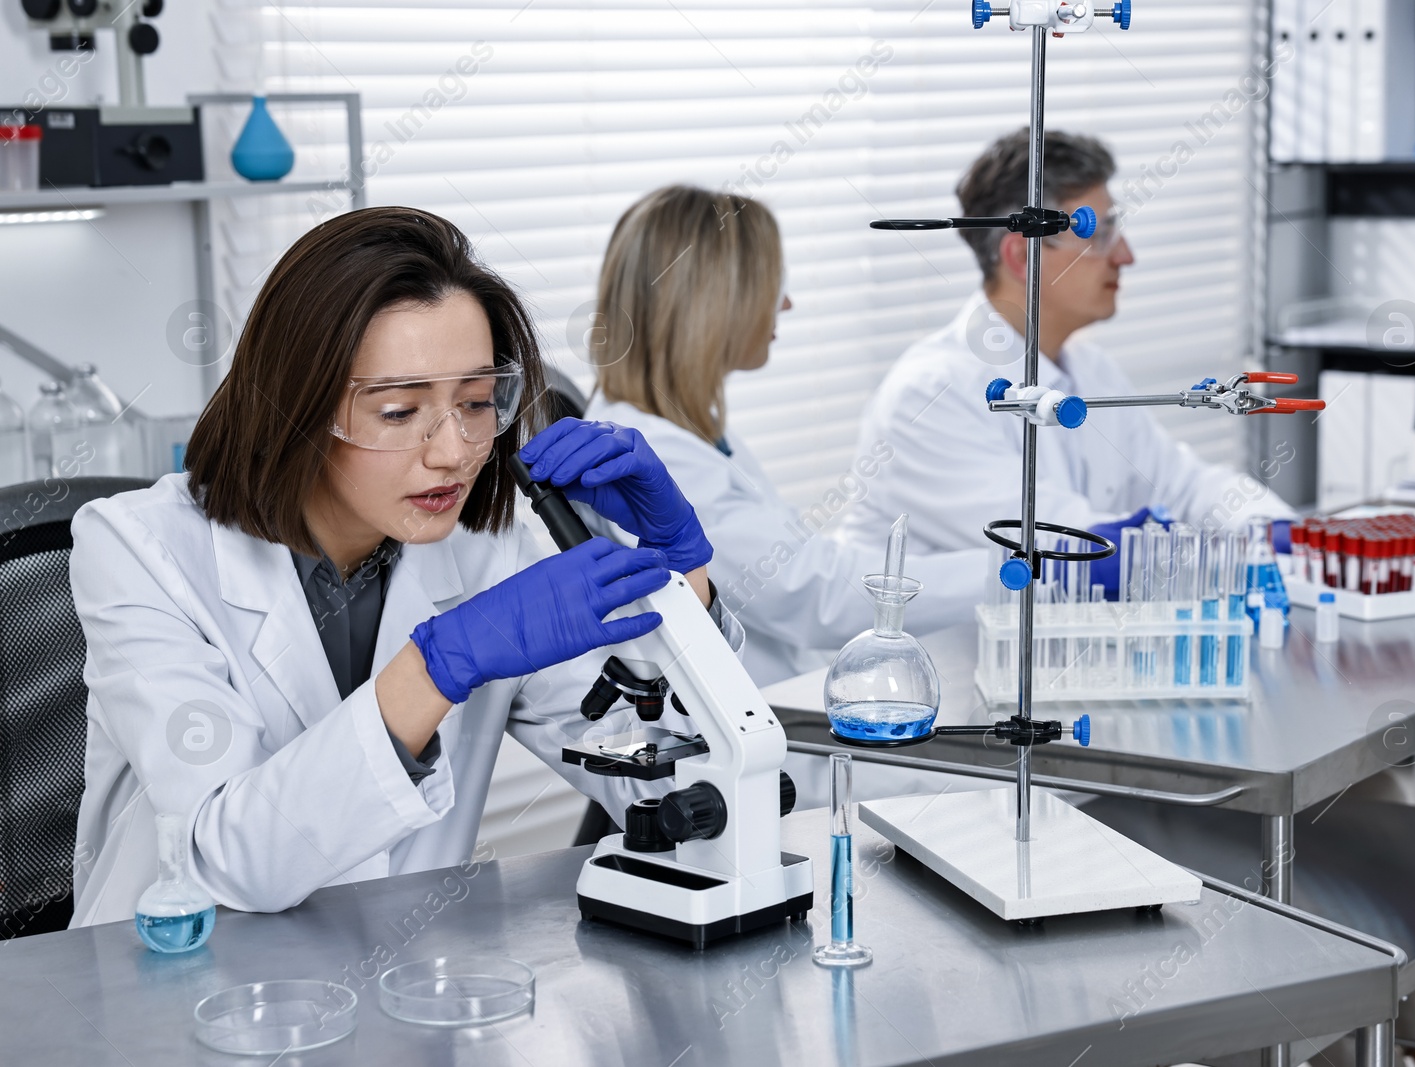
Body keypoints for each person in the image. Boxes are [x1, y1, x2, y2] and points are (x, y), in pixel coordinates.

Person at [69, 208, 738, 925]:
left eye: (477, 402)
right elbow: (235, 860)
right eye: (397, 411)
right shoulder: (138, 550)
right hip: (175, 992)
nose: (453, 450)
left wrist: (683, 589)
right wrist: (437, 666)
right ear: (296, 405)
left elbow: (667, 797)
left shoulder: (492, 546)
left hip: (405, 987)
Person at [843, 129, 1294, 588]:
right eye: (1098, 236)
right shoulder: (929, 395)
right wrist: (1232, 555)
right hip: (940, 656)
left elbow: (1183, 484)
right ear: (1023, 254)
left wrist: (1279, 531)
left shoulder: (1090, 368)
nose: (1126, 256)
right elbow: (1077, 547)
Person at [583, 184, 989, 686]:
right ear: (715, 300)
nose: (788, 303)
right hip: (763, 733)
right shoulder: (658, 457)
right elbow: (811, 595)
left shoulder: (686, 429)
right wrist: (1005, 577)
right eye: (772, 285)